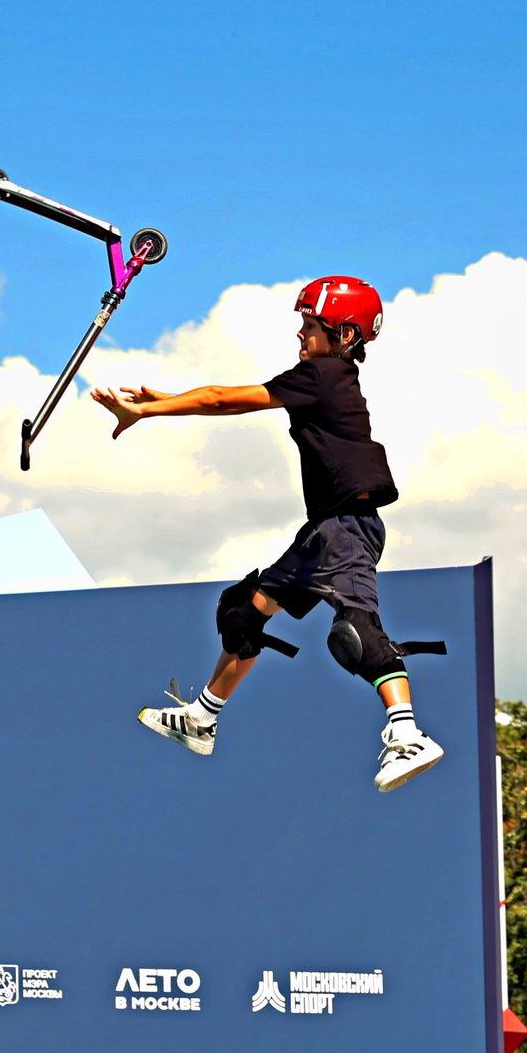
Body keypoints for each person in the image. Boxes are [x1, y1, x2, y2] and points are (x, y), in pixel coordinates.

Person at [89, 276, 445, 793]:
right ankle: (202, 718)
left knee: (356, 634)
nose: (300, 335)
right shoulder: (325, 379)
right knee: (242, 614)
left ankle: (409, 734)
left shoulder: (323, 373)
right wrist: (169, 400)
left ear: (344, 336)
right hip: (321, 532)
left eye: (310, 326)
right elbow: (229, 400)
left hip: (345, 528)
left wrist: (149, 410)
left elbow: (223, 401)